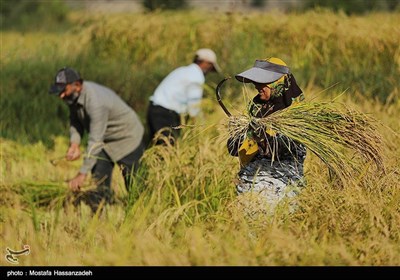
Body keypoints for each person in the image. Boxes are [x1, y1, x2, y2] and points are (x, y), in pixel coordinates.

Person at [49, 67, 145, 212]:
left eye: (64, 90)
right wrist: (74, 144)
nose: (61, 96)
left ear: (78, 85)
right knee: (99, 179)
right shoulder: (73, 97)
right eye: (59, 91)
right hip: (105, 140)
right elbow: (75, 121)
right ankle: (99, 213)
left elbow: (95, 141)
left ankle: (142, 211)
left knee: (134, 181)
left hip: (127, 138)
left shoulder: (96, 103)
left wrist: (81, 174)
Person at [227, 57, 306, 213]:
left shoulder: (297, 114)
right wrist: (238, 136)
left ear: (279, 83)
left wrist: (263, 139)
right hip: (249, 185)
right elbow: (235, 149)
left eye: (262, 82)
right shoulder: (256, 109)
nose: (257, 86)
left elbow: (290, 148)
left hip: (280, 185)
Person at [147, 48, 221, 145]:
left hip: (153, 110)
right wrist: (203, 127)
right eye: (211, 68)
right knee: (168, 149)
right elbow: (194, 107)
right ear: (206, 63)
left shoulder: (182, 70)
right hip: (165, 115)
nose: (209, 72)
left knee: (157, 147)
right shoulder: (196, 76)